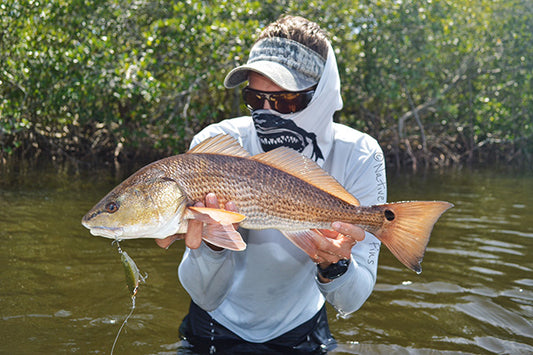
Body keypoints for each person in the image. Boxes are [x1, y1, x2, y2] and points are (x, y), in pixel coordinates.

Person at [157, 15, 387, 353]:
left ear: (322, 96)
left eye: (285, 101)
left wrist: (335, 266)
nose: (266, 112)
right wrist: (213, 247)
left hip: (302, 329)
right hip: (213, 325)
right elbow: (205, 295)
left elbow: (350, 302)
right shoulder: (216, 144)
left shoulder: (360, 155)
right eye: (254, 99)